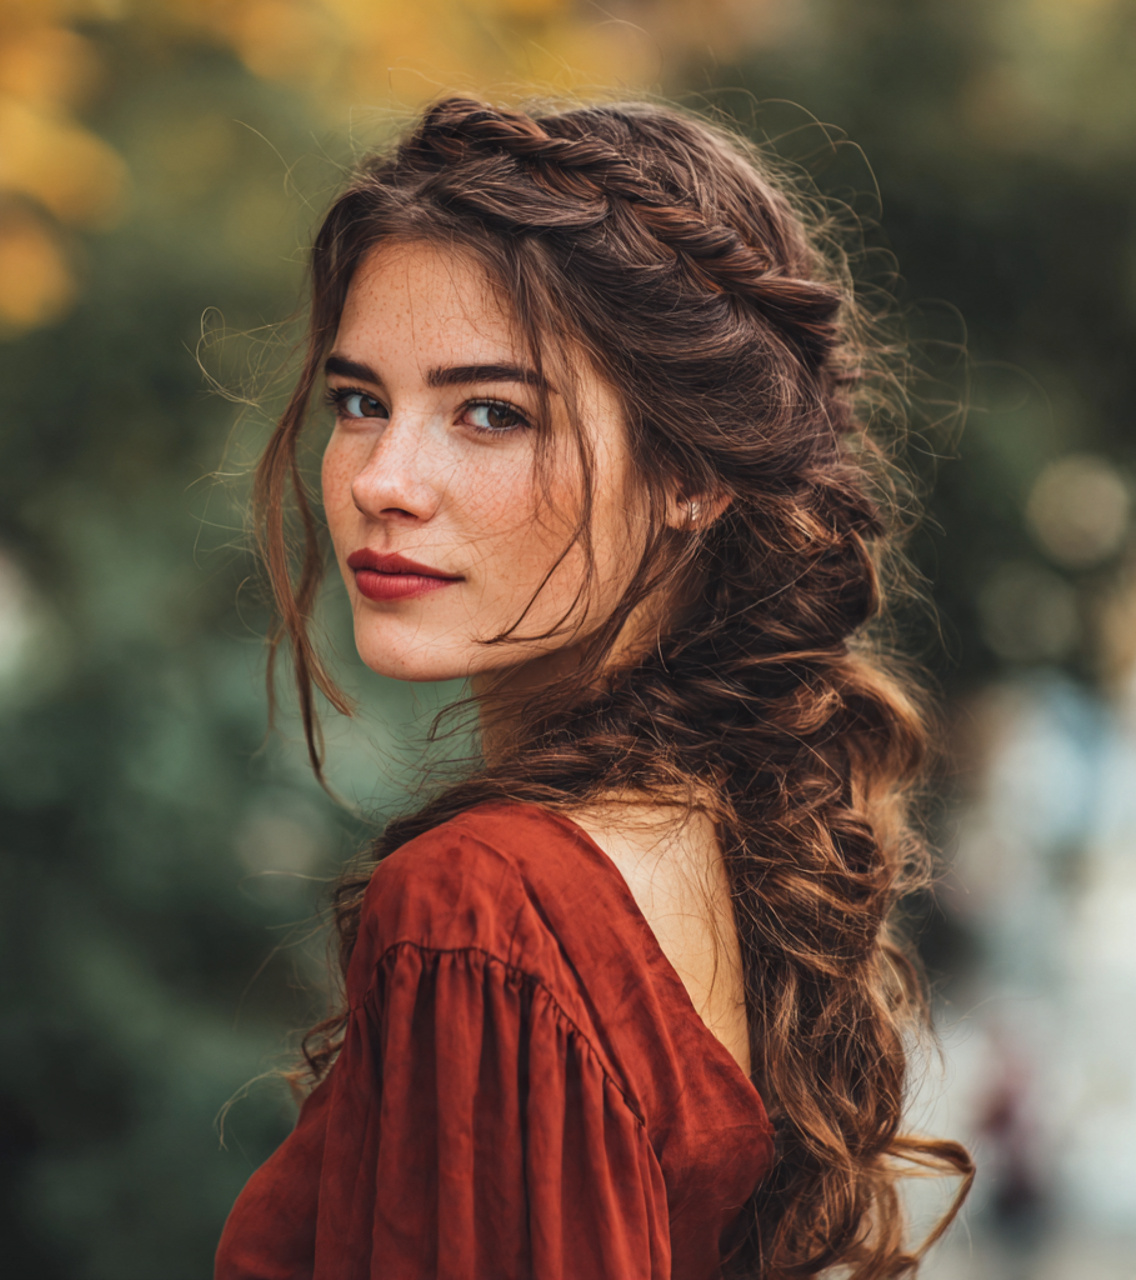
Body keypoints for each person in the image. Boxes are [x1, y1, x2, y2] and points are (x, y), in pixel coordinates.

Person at [215, 95, 973, 1280]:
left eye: (491, 413)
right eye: (360, 401)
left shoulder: (485, 907)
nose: (383, 478)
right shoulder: (704, 832)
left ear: (690, 476)